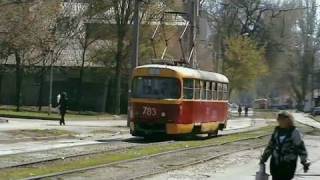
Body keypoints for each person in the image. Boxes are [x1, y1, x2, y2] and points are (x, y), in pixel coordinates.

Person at [260, 111, 310, 180]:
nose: (279, 121)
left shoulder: (294, 132)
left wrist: (304, 161)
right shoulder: (277, 131)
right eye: (278, 119)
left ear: (287, 120)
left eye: (281, 119)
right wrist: (264, 158)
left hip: (288, 165)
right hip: (275, 164)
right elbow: (270, 146)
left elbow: (300, 148)